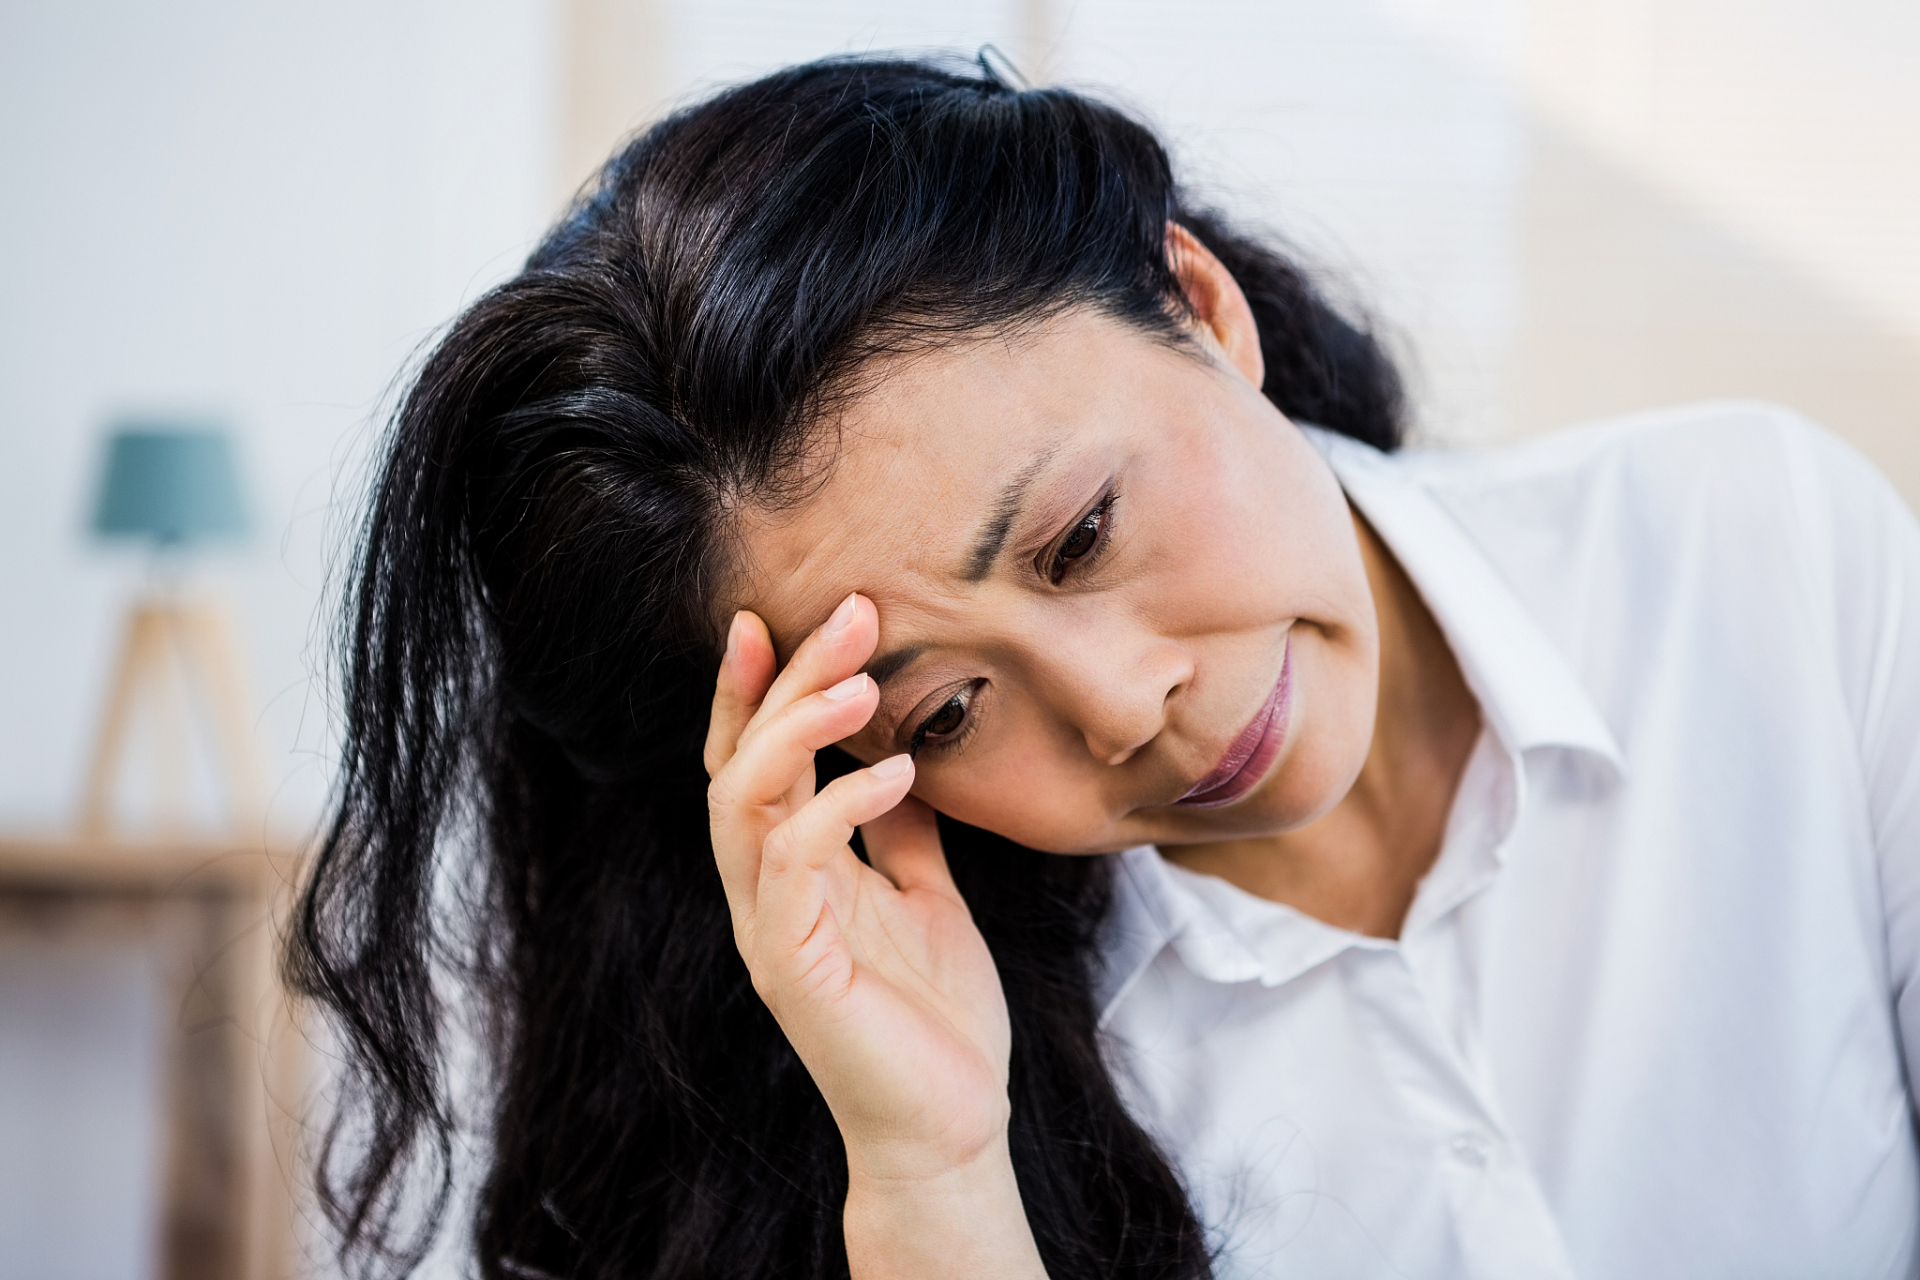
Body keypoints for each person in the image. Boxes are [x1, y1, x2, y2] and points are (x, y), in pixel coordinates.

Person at [289, 54, 1920, 1280]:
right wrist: (932, 1173)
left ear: (1197, 305)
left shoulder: (1756, 553)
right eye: (942, 708)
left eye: (1080, 536)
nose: (1123, 703)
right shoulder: (929, 1061)